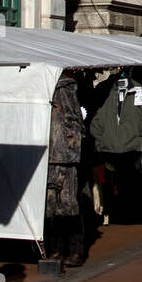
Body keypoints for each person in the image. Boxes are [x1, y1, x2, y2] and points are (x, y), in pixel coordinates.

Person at [45, 75, 86, 268]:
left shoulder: (65, 88)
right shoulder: (43, 85)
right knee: (50, 204)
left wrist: (72, 149)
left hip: (64, 155)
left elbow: (74, 120)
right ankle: (55, 248)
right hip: (48, 155)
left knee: (68, 204)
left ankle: (74, 249)